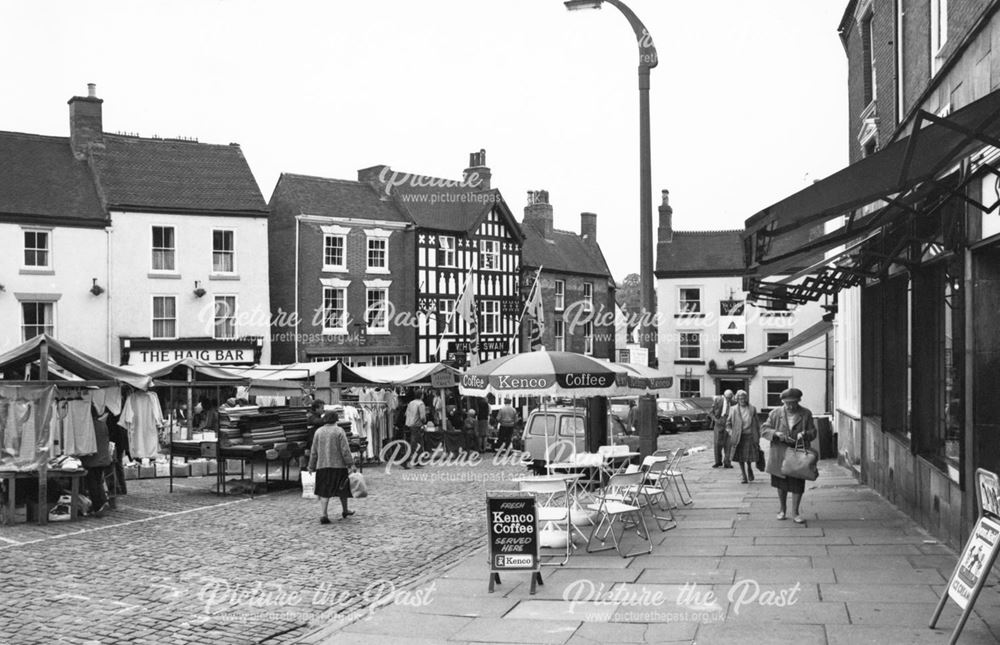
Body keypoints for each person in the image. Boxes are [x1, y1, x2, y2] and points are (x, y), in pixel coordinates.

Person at [760, 388, 817, 524]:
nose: (790, 406)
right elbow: (764, 429)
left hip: (798, 455)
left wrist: (804, 434)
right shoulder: (775, 413)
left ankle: (796, 513)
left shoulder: (806, 413)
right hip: (780, 452)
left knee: (797, 483)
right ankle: (782, 509)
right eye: (787, 403)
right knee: (781, 483)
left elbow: (813, 432)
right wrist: (776, 433)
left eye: (793, 403)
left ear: (798, 401)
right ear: (783, 402)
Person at [308, 410, 356, 523]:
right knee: (343, 490)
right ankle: (345, 510)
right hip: (338, 466)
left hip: (322, 466)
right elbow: (345, 450)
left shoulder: (318, 432)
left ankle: (324, 514)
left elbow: (313, 451)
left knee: (324, 491)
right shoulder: (339, 431)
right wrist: (351, 464)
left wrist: (311, 465)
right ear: (336, 419)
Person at [81, 409, 112, 517]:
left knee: (92, 483)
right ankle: (103, 502)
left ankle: (97, 506)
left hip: (92, 459)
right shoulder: (102, 424)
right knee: (98, 481)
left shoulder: (87, 426)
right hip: (102, 458)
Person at [726, 390, 760, 484]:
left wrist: (758, 435)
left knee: (748, 457)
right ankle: (744, 475)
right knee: (740, 457)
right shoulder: (733, 409)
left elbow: (757, 423)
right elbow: (728, 424)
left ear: (746, 398)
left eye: (744, 398)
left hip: (750, 435)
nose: (742, 400)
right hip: (738, 437)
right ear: (737, 399)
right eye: (740, 398)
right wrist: (730, 432)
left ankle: (749, 468)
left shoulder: (752, 408)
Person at [710, 391, 734, 468]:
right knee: (717, 443)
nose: (728, 399)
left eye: (730, 398)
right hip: (719, 422)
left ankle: (727, 462)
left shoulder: (733, 402)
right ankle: (718, 462)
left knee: (729, 444)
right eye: (727, 398)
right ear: (724, 396)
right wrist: (716, 420)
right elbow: (711, 413)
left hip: (729, 423)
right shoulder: (718, 400)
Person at [404, 391, 427, 468]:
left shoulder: (411, 403)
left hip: (410, 425)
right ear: (421, 395)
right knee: (417, 444)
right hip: (417, 425)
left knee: (416, 443)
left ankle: (416, 460)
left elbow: (406, 413)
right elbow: (422, 416)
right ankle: (408, 460)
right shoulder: (420, 403)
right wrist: (424, 423)